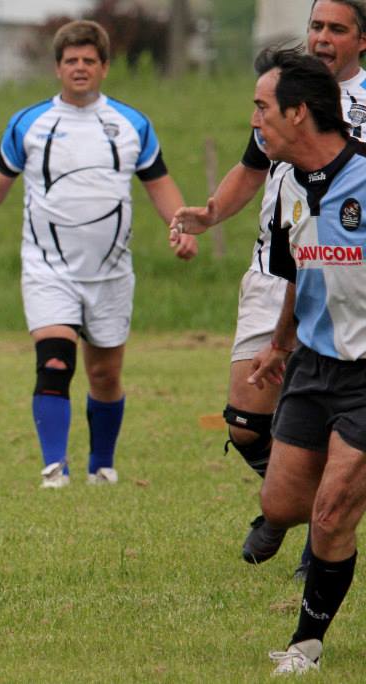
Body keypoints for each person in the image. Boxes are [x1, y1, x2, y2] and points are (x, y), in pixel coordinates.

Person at [0, 20, 197, 489]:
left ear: (104, 68)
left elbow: (159, 186)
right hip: (47, 269)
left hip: (111, 273)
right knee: (55, 362)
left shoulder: (131, 125)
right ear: (57, 68)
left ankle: (102, 466)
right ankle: (55, 467)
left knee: (104, 373)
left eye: (89, 61)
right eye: (71, 61)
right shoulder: (29, 124)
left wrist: (180, 228)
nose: (80, 68)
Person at [170, 0, 366, 578]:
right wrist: (209, 215)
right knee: (246, 421)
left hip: (348, 272)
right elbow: (252, 168)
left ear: (362, 40)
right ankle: (292, 508)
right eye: (315, 26)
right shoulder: (281, 95)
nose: (322, 37)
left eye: (337, 28)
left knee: (339, 412)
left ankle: (323, 528)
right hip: (277, 268)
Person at [234, 46, 366, 676]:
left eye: (262, 108)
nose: (255, 121)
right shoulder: (285, 185)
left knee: (331, 511)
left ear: (299, 112)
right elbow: (297, 275)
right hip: (313, 364)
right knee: (283, 504)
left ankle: (306, 644)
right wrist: (280, 342)